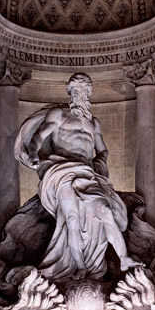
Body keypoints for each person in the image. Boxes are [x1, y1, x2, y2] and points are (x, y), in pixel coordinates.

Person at [16, 73, 133, 282]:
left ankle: (124, 258)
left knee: (105, 211)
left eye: (84, 90)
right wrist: (33, 154)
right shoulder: (58, 114)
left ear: (89, 93)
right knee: (71, 219)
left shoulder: (94, 123)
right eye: (76, 90)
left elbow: (103, 151)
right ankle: (79, 267)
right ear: (70, 92)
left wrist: (100, 165)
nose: (80, 94)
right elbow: (38, 138)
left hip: (87, 173)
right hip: (62, 171)